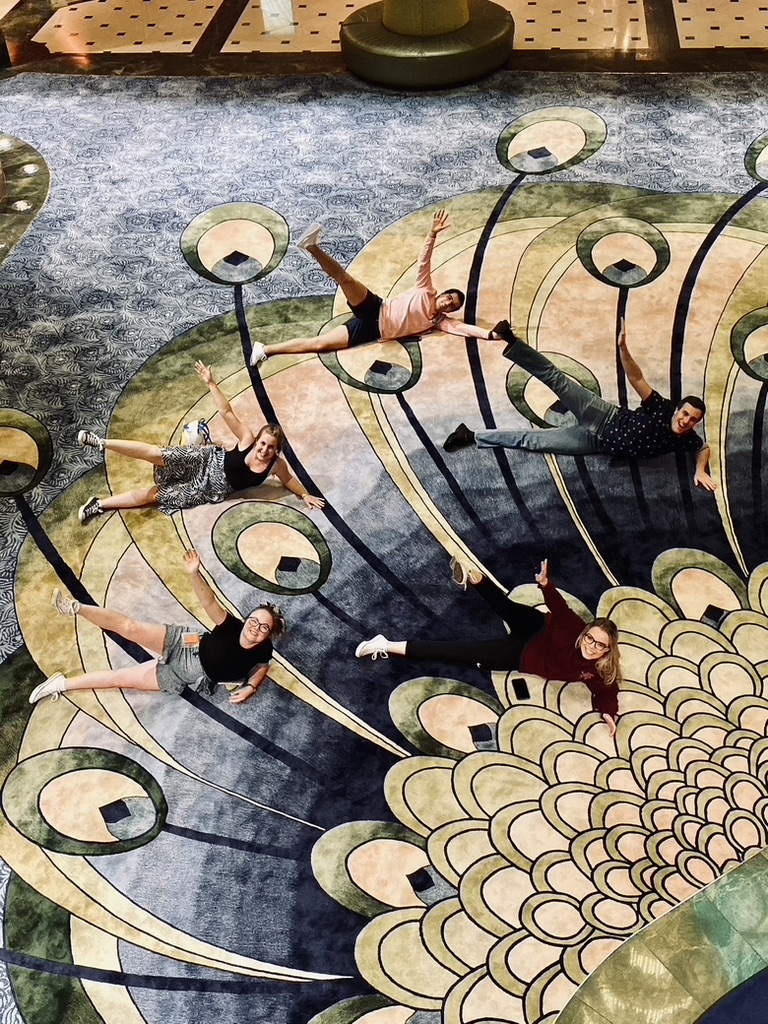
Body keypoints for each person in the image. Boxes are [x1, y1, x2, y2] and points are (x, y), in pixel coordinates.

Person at [355, 557, 621, 735]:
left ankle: (386, 645)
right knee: (505, 607)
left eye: (600, 645)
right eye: (590, 638)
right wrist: (545, 585)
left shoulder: (599, 669)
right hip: (539, 627)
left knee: (463, 654)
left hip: (523, 654)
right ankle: (474, 576)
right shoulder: (574, 628)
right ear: (585, 633)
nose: (592, 646)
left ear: (607, 651)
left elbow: (607, 692)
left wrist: (609, 713)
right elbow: (559, 608)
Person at [443, 319, 717, 492]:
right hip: (603, 417)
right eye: (685, 414)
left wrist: (700, 470)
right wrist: (623, 347)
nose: (686, 421)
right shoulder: (660, 407)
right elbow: (636, 377)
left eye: (693, 419)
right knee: (558, 381)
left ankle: (470, 435)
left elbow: (703, 447)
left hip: (596, 443)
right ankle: (512, 342)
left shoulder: (687, 438)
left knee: (534, 441)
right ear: (677, 409)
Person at [76, 360, 325, 524]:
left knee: (157, 496)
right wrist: (211, 383)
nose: (264, 450)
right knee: (158, 454)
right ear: (257, 439)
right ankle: (101, 442)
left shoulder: (275, 466)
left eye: (270, 447)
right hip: (206, 460)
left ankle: (99, 504)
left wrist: (305, 495)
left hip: (209, 489)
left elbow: (288, 479)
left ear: (276, 449)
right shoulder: (247, 439)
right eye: (263, 443)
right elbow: (227, 413)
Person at [29, 550, 285, 706]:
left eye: (264, 627)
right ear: (247, 618)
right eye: (254, 620)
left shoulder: (264, 651)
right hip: (189, 642)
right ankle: (76, 608)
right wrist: (195, 573)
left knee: (118, 678)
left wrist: (251, 687)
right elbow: (209, 601)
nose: (256, 627)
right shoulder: (230, 625)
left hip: (184, 675)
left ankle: (61, 684)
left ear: (268, 634)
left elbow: (263, 667)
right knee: (129, 627)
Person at [249, 211, 500, 366]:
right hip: (376, 309)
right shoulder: (425, 290)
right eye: (449, 298)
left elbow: (463, 329)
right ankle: (312, 246)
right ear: (443, 294)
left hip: (370, 331)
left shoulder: (438, 322)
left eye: (453, 306)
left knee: (320, 344)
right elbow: (425, 259)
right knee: (346, 280)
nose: (448, 304)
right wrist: (432, 234)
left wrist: (489, 334)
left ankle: (265, 350)